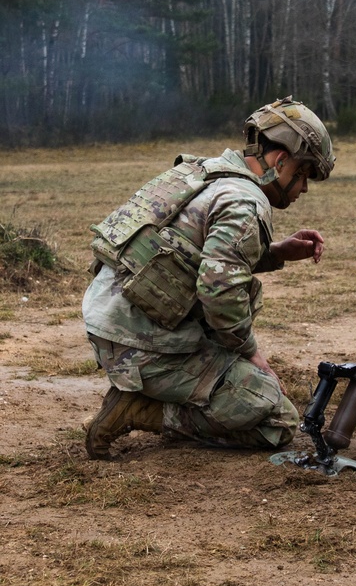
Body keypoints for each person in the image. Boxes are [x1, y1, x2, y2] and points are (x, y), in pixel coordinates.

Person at [82, 97, 335, 460]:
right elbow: (220, 292)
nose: (304, 189)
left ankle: (152, 391)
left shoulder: (206, 172)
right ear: (281, 162)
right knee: (275, 418)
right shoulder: (246, 202)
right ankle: (141, 409)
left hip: (110, 320)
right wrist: (251, 353)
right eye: (304, 175)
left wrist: (276, 251)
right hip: (139, 345)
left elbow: (194, 254)